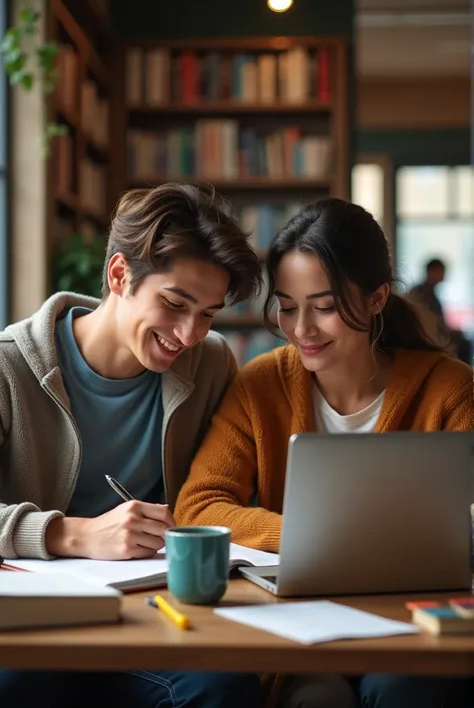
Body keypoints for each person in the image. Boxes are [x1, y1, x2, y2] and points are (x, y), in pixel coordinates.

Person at [175, 198, 473, 708]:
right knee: (314, 699)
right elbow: (198, 507)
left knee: (406, 689)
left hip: (416, 627)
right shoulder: (260, 385)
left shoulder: (450, 390)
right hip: (304, 633)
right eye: (288, 306)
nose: (302, 329)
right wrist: (304, 536)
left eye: (326, 306)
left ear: (377, 298)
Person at [0, 183, 263, 708]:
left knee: (224, 687)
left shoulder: (211, 366)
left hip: (155, 617)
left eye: (208, 313)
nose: (189, 333)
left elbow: (223, 495)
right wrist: (71, 534)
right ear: (119, 276)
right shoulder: (8, 366)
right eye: (174, 303)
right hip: (33, 621)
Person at [409, 258, 472, 365]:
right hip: (427, 335)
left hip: (433, 332)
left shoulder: (428, 292)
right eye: (441, 271)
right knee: (463, 343)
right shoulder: (421, 293)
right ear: (432, 271)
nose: (444, 275)